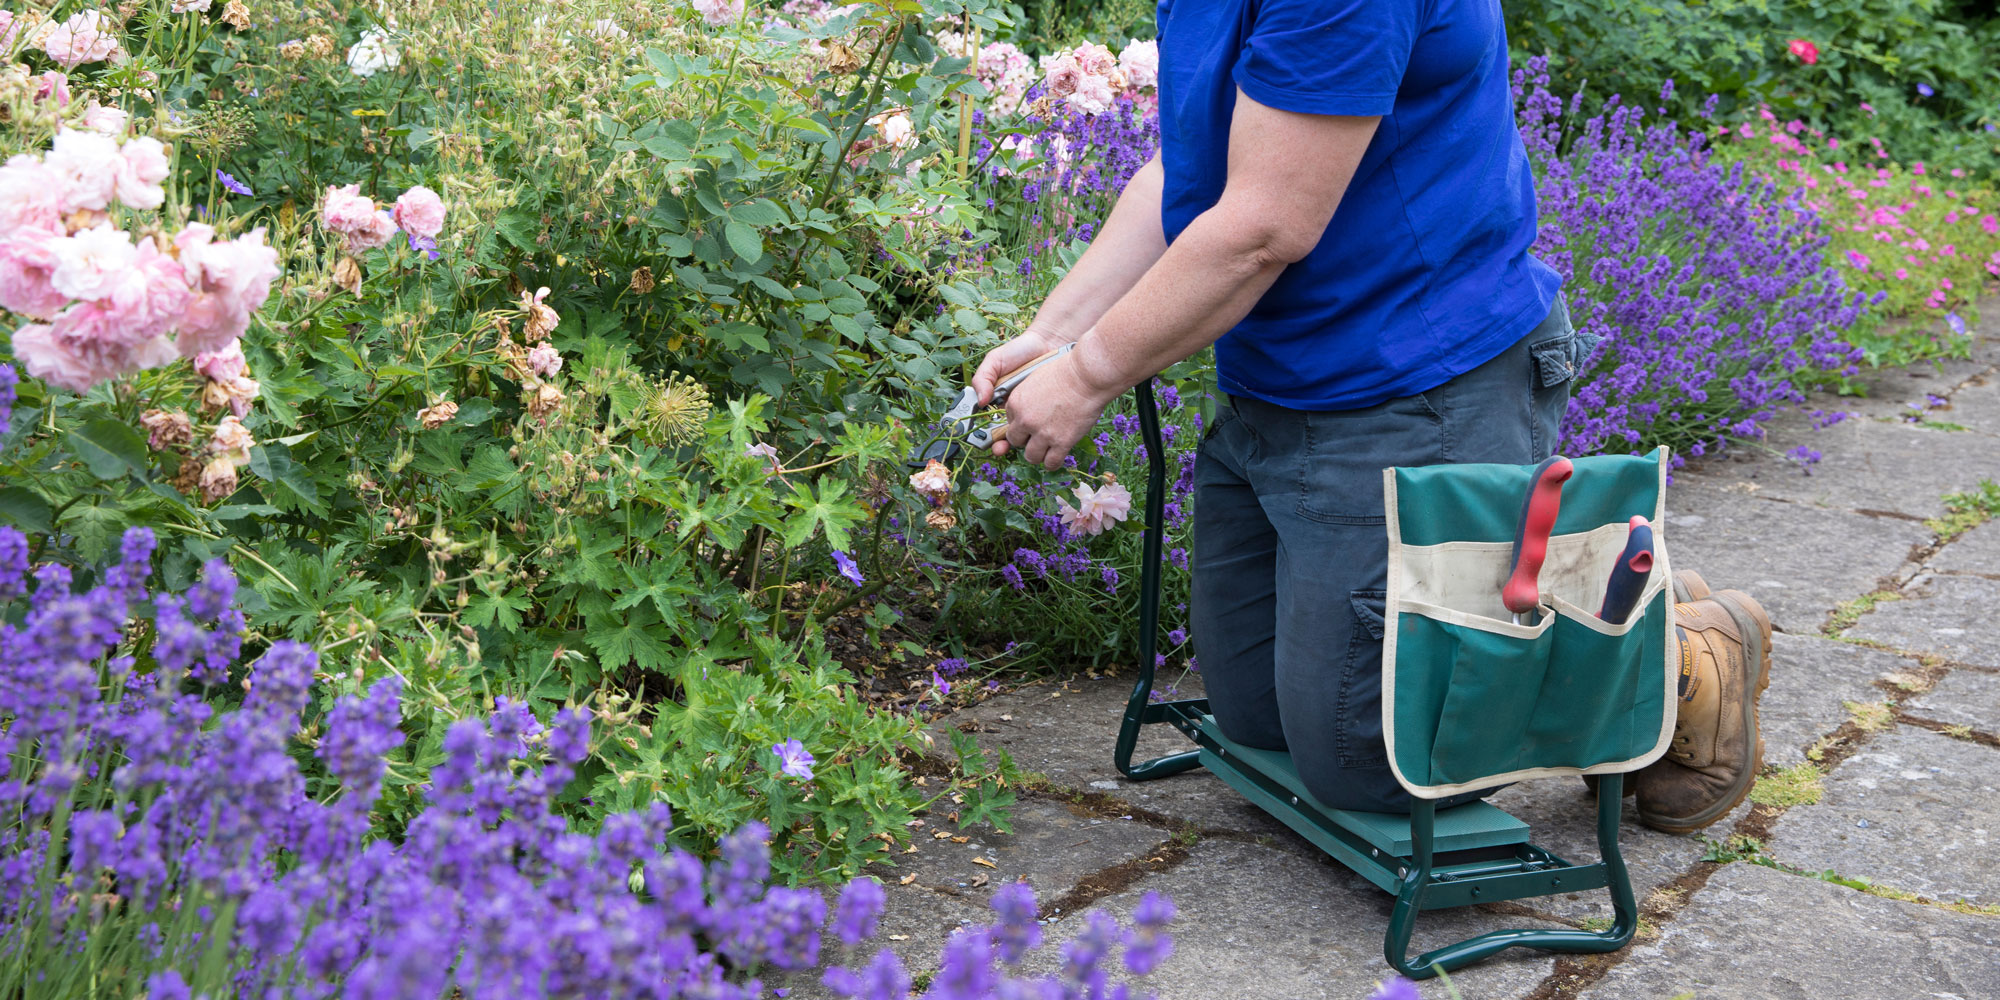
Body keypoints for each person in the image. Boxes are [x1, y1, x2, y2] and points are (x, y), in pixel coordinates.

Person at [973, 0, 1771, 831]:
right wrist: (1056, 336)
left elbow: (1264, 226)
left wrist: (1090, 374)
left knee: (1375, 764)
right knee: (1255, 717)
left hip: (1419, 382)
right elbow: (1191, 164)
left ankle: (1678, 654)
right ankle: (1603, 609)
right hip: (1276, 384)